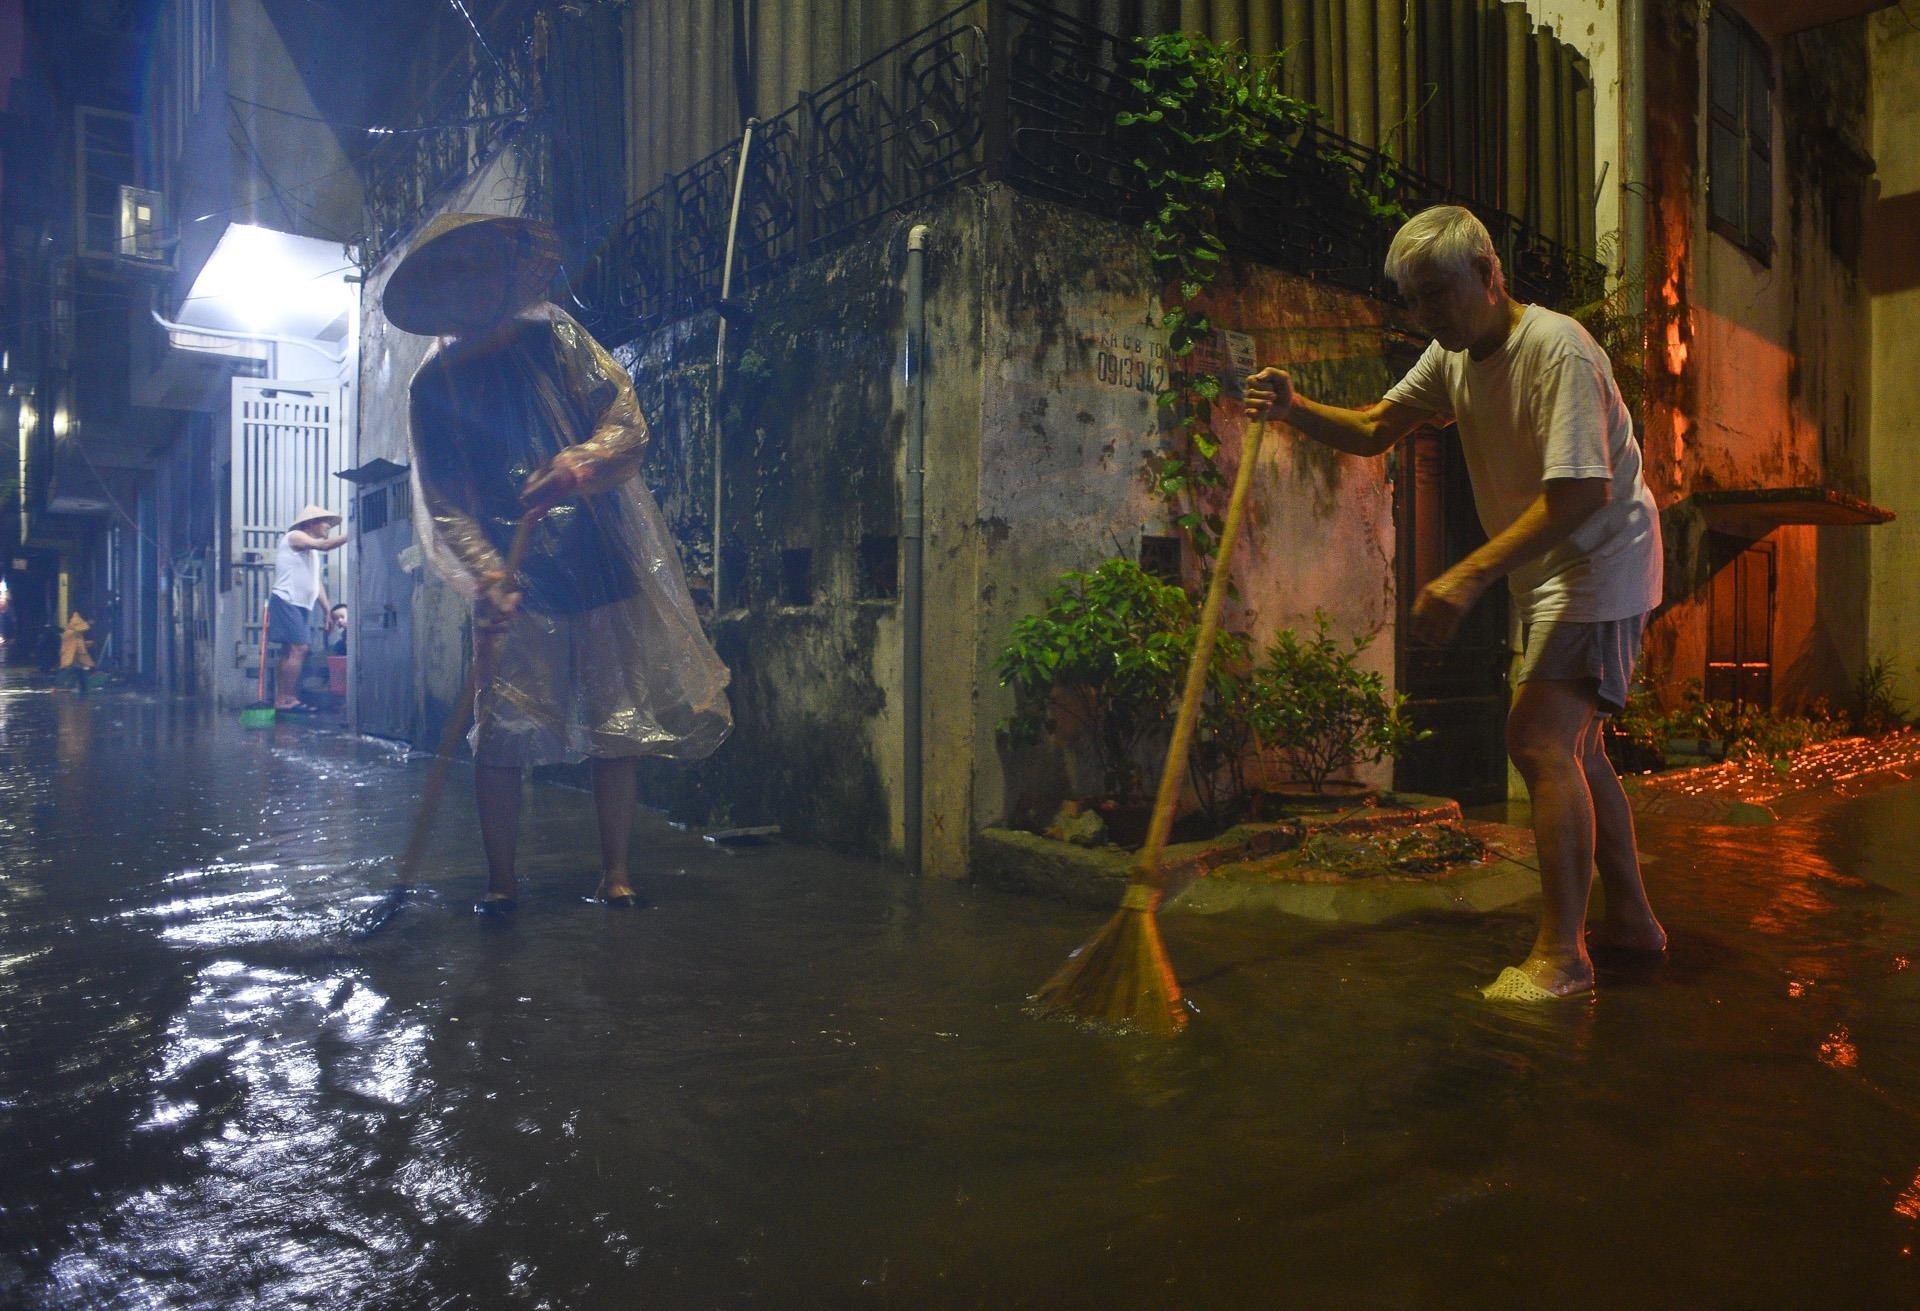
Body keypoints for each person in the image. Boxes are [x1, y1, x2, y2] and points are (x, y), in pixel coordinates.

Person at [1245, 204, 1667, 1002]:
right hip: (1551, 569)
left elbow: (1581, 492)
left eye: (1436, 293)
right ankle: (1634, 923)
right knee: (1579, 750)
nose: (1425, 315)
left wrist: (1468, 574)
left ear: (1489, 273)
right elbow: (1376, 425)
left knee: (1538, 737)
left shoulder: (1557, 349)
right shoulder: (1453, 355)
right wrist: (1297, 410)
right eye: (1412, 299)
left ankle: (1562, 956)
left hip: (1601, 558)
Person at [383, 211, 732, 913]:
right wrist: (485, 572)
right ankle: (502, 881)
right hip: (513, 572)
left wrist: (578, 464)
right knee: (500, 730)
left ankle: (615, 870)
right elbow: (446, 501)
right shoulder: (434, 389)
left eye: (481, 268)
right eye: (457, 276)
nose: (473, 286)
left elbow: (625, 422)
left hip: (594, 548)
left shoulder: (557, 340)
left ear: (505, 270)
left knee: (616, 717)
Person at [269, 506, 348, 713]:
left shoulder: (310, 552)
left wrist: (327, 610)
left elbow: (316, 583)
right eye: (325, 522)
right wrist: (353, 534)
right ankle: (287, 698)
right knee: (299, 649)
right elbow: (326, 546)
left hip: (299, 604)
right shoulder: (295, 537)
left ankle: (282, 698)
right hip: (287, 600)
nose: (328, 527)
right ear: (309, 523)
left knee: (290, 651)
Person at [58, 612, 95, 693]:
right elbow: (75, 645)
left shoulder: (74, 633)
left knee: (79, 672)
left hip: (75, 659)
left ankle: (81, 688)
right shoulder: (70, 633)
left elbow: (79, 644)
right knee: (72, 671)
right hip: (72, 659)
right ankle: (59, 687)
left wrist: (87, 643)